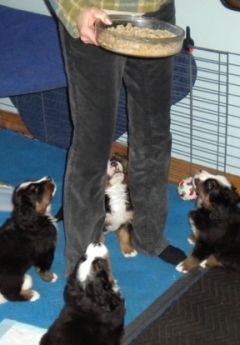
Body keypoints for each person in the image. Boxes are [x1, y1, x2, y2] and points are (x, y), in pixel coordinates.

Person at [46, 0, 185, 275]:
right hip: (96, 12)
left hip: (154, 11)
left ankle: (148, 237)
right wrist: (75, 10)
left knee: (154, 132)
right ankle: (84, 260)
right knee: (92, 142)